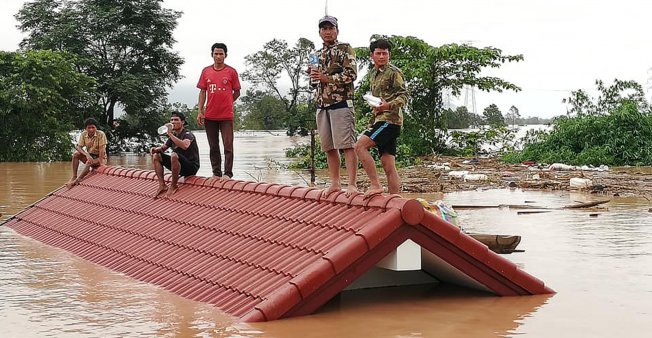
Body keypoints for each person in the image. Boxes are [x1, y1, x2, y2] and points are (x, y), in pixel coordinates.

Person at [309, 15, 358, 196]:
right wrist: (313, 76)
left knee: (347, 145)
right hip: (322, 105)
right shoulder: (315, 54)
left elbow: (351, 75)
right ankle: (335, 183)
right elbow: (313, 83)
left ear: (337, 30)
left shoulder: (345, 49)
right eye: (324, 29)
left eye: (331, 28)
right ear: (320, 32)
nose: (327, 32)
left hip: (341, 103)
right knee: (329, 147)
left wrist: (326, 78)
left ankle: (352, 184)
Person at [354, 39, 409, 197]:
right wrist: (372, 119)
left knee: (360, 147)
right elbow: (377, 101)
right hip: (379, 120)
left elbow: (404, 96)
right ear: (372, 55)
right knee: (388, 165)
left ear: (389, 54)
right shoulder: (373, 74)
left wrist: (388, 105)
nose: (382, 56)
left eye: (385, 53)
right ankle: (395, 199)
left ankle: (376, 185)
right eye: (378, 53)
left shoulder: (394, 72)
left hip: (390, 121)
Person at [196, 42, 241, 180]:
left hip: (226, 115)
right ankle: (216, 173)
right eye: (216, 53)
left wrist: (228, 102)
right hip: (210, 115)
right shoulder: (206, 71)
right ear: (212, 55)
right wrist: (200, 111)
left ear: (225, 55)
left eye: (221, 54)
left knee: (228, 145)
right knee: (213, 146)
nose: (218, 56)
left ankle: (228, 173)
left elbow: (237, 92)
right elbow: (203, 92)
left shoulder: (231, 71)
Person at [150, 112, 200, 197]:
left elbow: (185, 146)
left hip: (191, 167)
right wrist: (154, 149)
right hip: (178, 164)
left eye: (176, 120)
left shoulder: (188, 134)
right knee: (157, 156)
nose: (173, 122)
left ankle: (173, 185)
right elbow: (163, 148)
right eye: (172, 120)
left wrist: (169, 134)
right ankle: (162, 185)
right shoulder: (173, 137)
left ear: (182, 122)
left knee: (173, 154)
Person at [66, 117, 107, 189]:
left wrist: (100, 163)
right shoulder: (83, 134)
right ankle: (74, 176)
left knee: (88, 162)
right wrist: (87, 155)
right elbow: (78, 147)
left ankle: (76, 181)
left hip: (100, 157)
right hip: (90, 156)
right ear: (86, 128)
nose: (91, 129)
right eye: (89, 128)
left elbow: (102, 150)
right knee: (76, 154)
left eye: (93, 127)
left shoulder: (101, 134)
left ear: (96, 128)